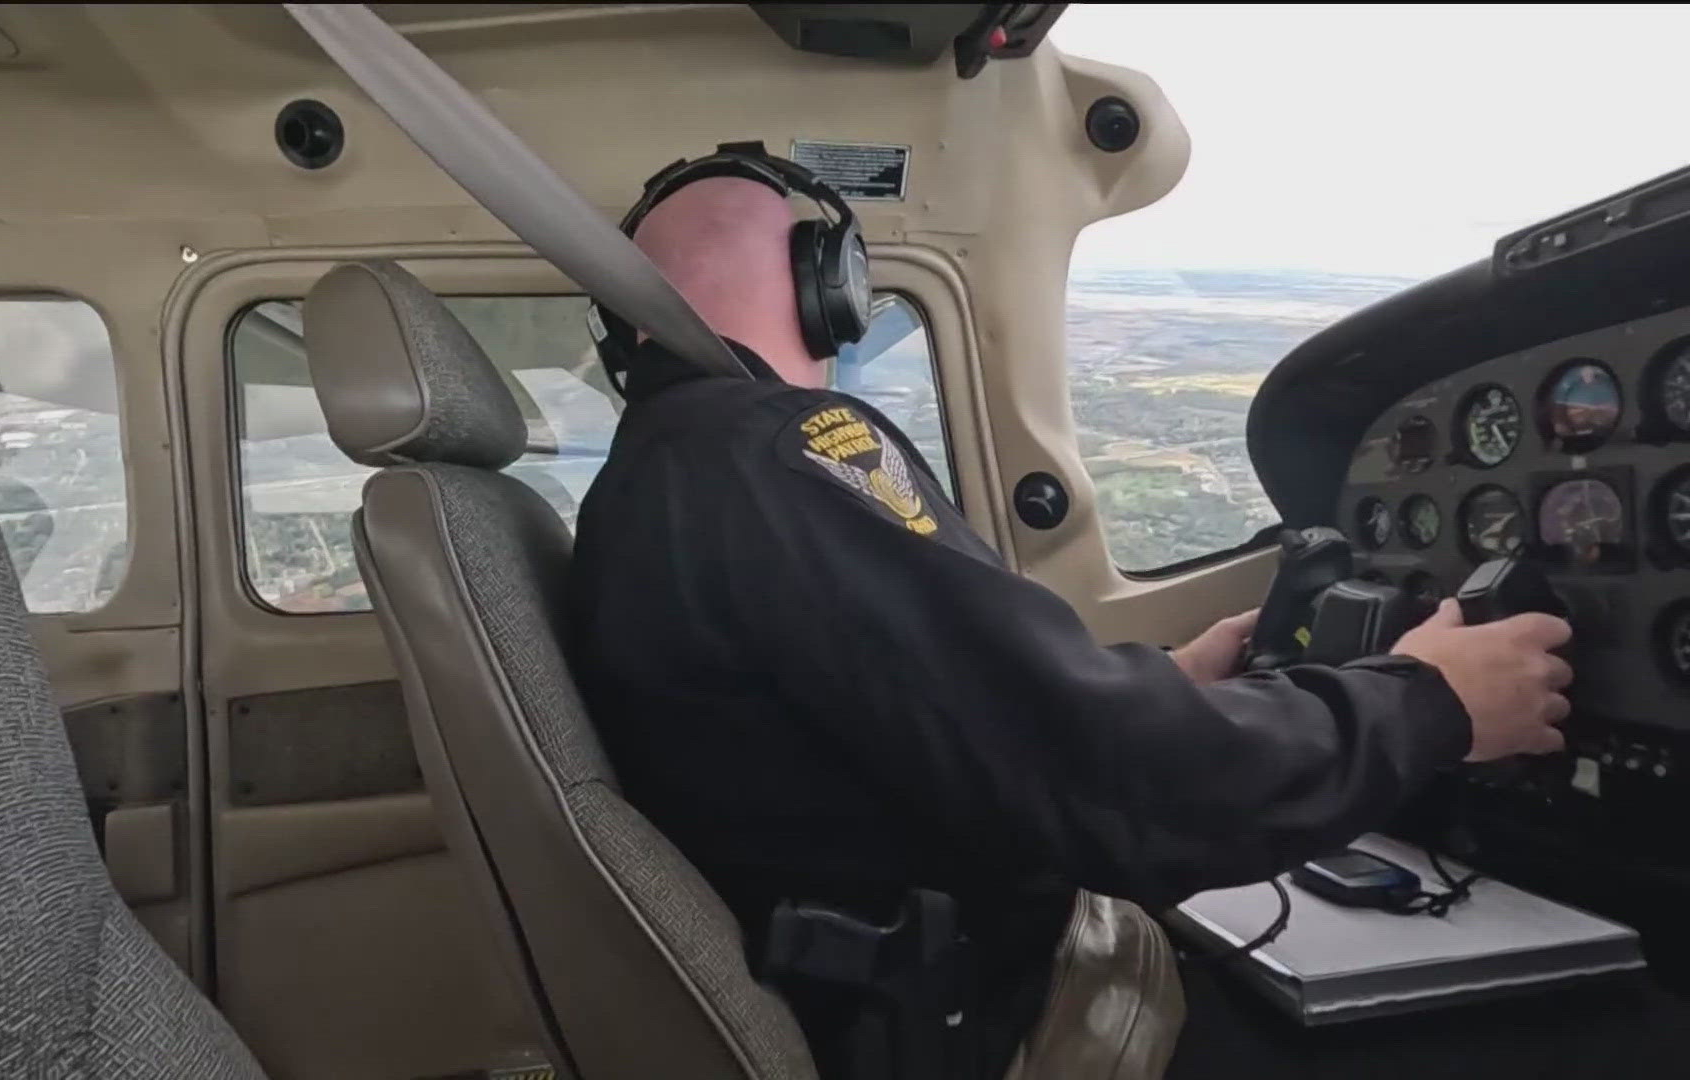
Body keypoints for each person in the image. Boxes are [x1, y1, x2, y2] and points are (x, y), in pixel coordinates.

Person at [569, 150, 1576, 1079]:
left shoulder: (653, 476)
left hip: (888, 979)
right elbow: (1126, 785)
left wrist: (1169, 683)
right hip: (967, 1015)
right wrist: (1436, 702)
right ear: (830, 288)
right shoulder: (774, 453)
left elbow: (909, 724)